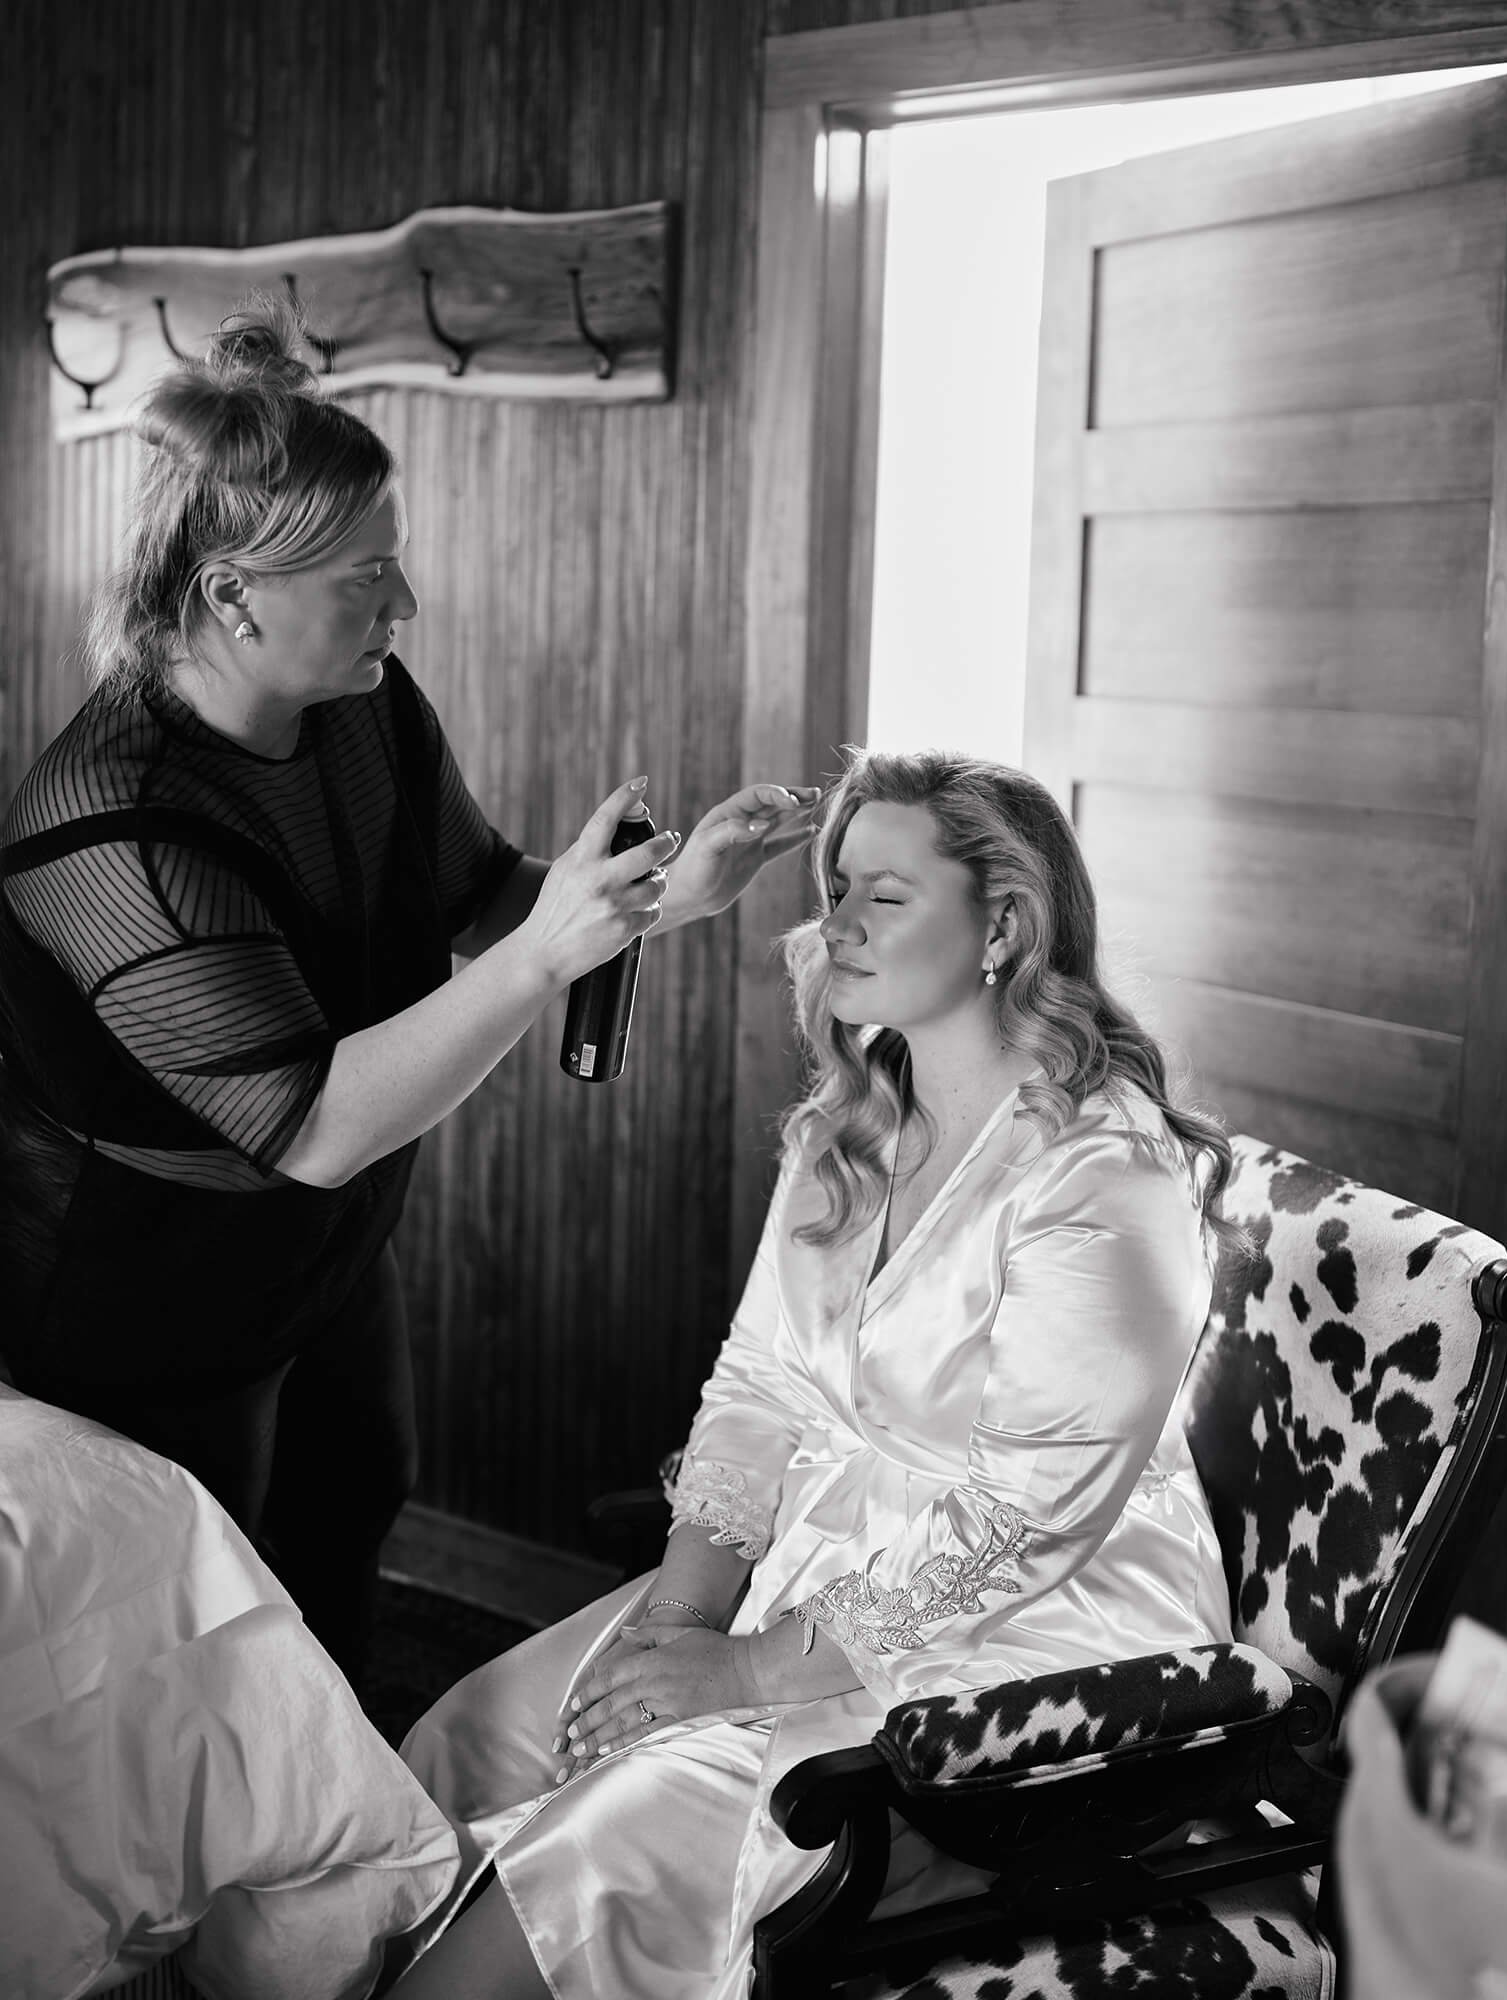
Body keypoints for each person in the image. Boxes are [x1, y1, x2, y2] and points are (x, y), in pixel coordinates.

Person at [0, 297, 816, 1684]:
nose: (405, 604)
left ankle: (344, 1825)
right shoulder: (107, 830)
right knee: (192, 1626)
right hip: (140, 1292)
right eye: (366, 578)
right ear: (234, 595)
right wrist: (549, 954)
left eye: (399, 563)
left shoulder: (361, 705)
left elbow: (490, 895)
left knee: (352, 1502)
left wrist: (675, 892)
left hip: (325, 1245)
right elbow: (314, 1121)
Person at [391, 747, 1240, 2000]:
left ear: (1004, 922)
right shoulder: (858, 1119)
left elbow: (1019, 1525)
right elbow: (761, 1386)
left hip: (1035, 1630)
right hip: (829, 1562)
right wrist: (676, 1623)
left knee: (615, 1838)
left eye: (882, 897)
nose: (830, 922)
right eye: (834, 884)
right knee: (480, 1730)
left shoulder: (1103, 1174)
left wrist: (736, 1672)